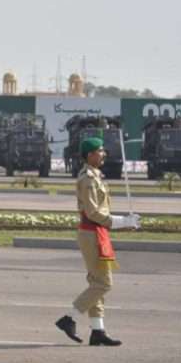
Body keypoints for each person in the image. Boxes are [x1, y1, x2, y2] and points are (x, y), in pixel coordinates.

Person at [54, 137, 140, 346]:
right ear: (90, 154)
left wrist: (123, 223)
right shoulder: (88, 179)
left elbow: (100, 211)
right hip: (91, 232)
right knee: (103, 283)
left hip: (98, 232)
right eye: (100, 151)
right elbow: (92, 212)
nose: (104, 154)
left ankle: (97, 330)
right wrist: (120, 221)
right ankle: (69, 318)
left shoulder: (96, 176)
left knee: (96, 283)